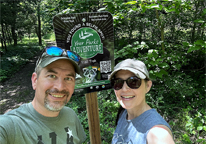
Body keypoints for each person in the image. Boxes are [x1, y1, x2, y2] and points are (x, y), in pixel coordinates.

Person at [0, 46, 86, 144]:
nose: (60, 87)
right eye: (52, 76)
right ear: (35, 80)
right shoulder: (11, 126)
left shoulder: (71, 115)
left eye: (68, 78)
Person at [109, 59, 175, 144]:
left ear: (148, 86)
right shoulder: (123, 114)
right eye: (118, 82)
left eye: (133, 81)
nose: (124, 89)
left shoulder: (158, 134)